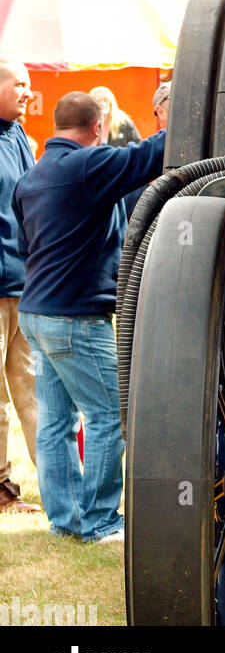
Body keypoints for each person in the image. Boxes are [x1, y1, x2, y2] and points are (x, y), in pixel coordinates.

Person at [14, 92, 166, 542]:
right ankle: (100, 521)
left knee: (56, 422)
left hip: (35, 312)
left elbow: (29, 247)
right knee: (105, 416)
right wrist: (178, 108)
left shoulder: (33, 177)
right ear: (98, 126)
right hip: (75, 318)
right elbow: (151, 155)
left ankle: (65, 521)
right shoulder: (88, 167)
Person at [0, 59, 41, 514]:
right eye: (21, 85)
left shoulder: (16, 136)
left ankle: (57, 484)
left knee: (31, 390)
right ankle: (1, 490)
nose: (28, 92)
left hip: (23, 285)